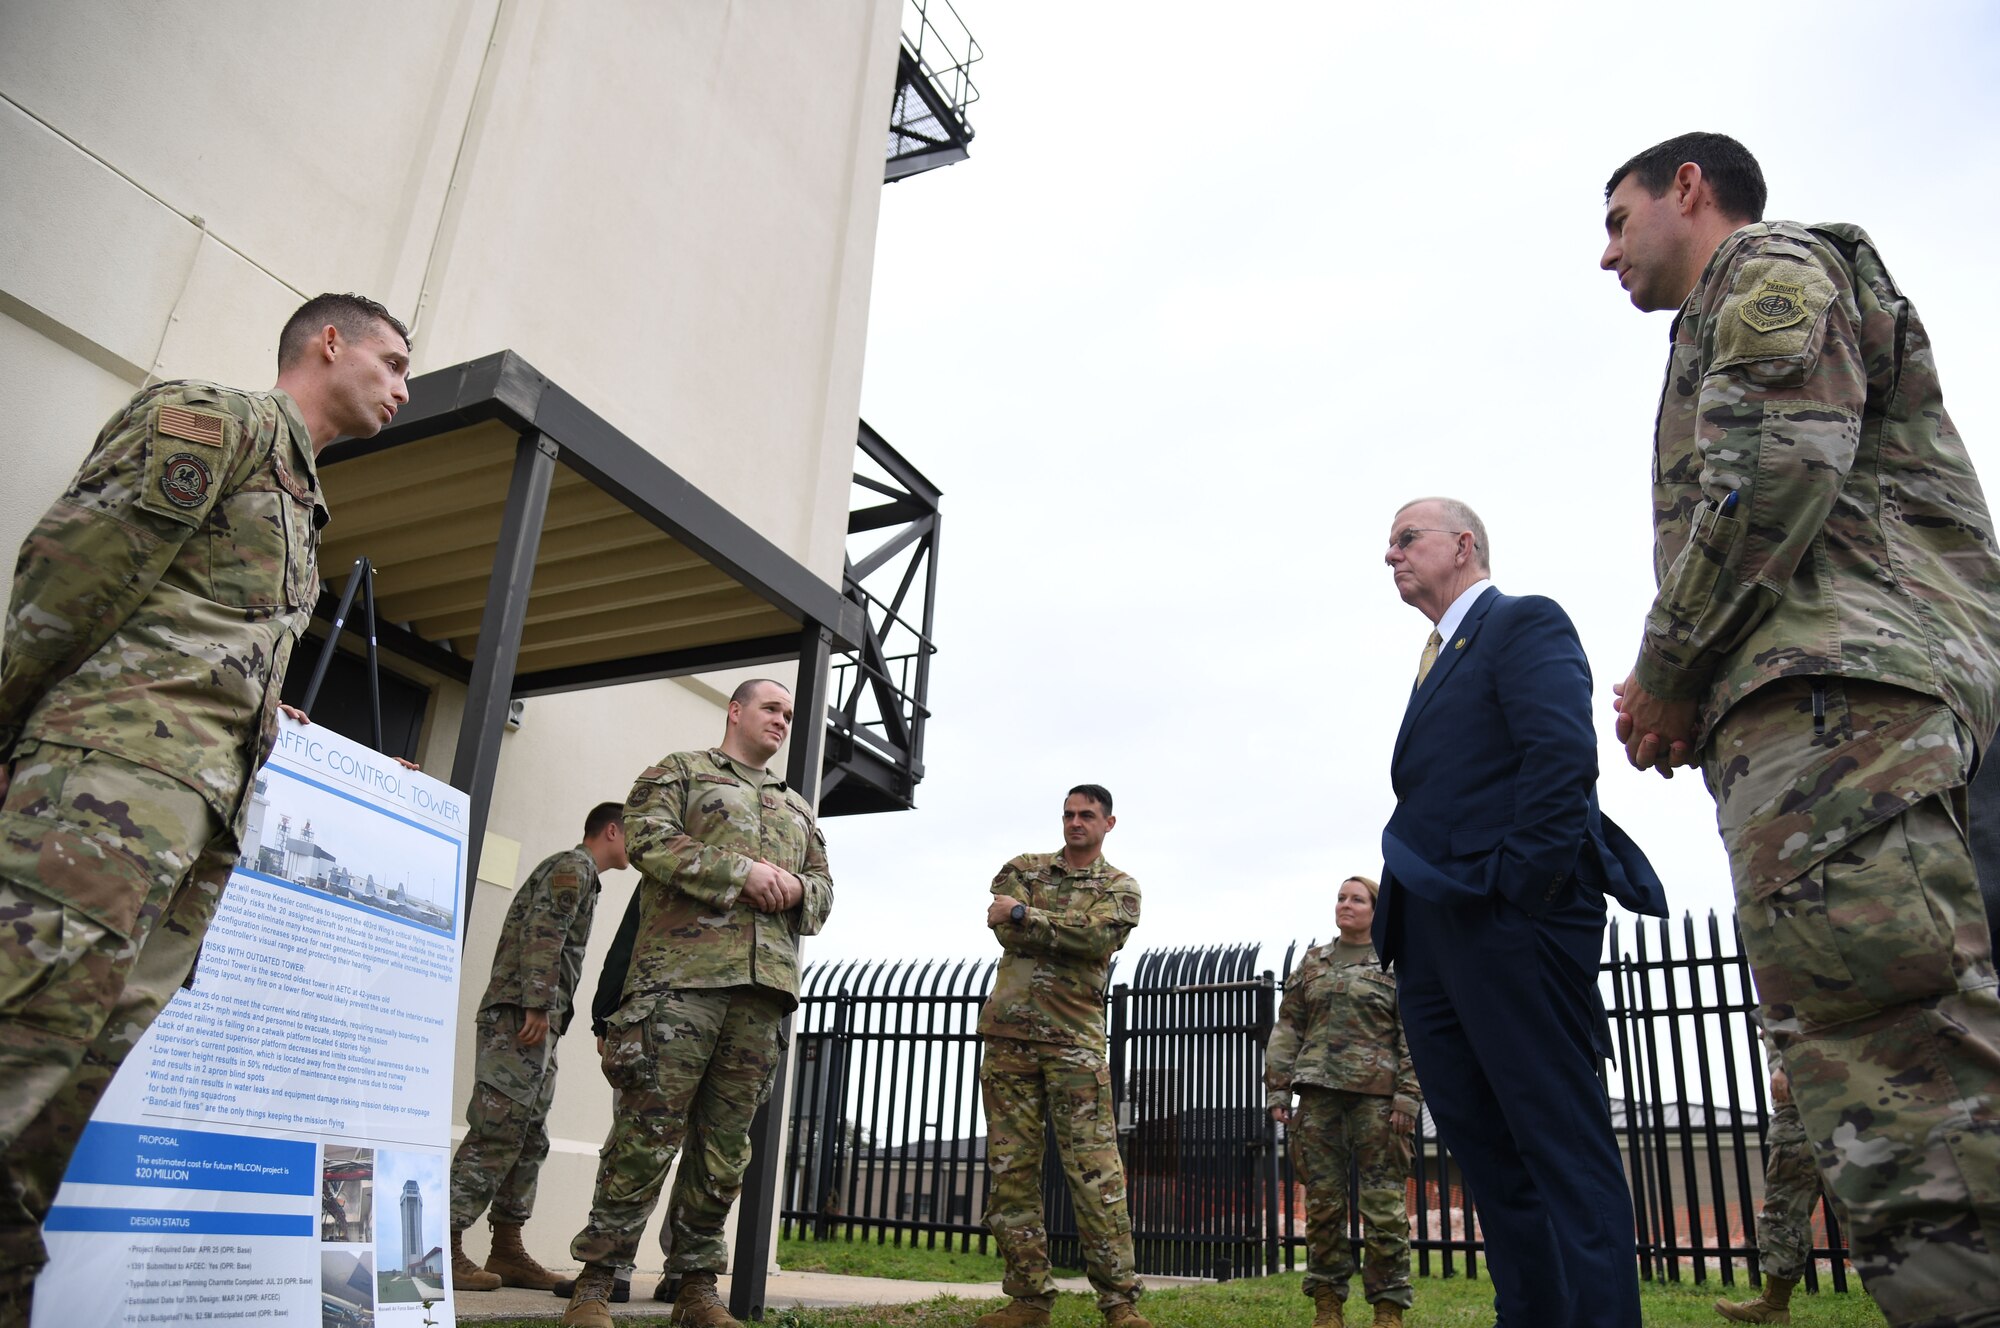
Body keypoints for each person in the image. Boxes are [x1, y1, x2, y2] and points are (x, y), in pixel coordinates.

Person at [1599, 131, 2000, 1326]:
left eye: (1617, 218)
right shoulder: (1716, 314)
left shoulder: (1769, 266)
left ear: (1687, 189)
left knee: (1898, 1054)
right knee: (1866, 1043)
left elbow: (1775, 466)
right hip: (1831, 702)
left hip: (1842, 702)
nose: (1603, 250)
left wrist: (1667, 668)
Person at [0, 293, 411, 1319]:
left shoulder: (302, 511)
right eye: (393, 361)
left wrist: (261, 703)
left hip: (184, 835)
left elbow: (188, 629)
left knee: (61, 1092)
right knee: (18, 1044)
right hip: (98, 800)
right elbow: (70, 577)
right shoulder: (212, 420)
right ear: (329, 343)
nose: (403, 387)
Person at [1376, 497, 1668, 1328]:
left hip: (1508, 925)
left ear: (1462, 545)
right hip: (1429, 933)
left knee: (1561, 1149)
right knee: (1486, 1154)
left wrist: (1519, 893)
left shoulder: (1522, 623)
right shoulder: (1433, 660)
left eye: (1406, 539)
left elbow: (1561, 756)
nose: (1389, 556)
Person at [561, 678, 833, 1328]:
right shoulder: (678, 774)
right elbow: (647, 839)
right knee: (645, 1136)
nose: (781, 721)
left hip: (761, 997)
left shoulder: (797, 808)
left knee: (723, 1149)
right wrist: (741, 873)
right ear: (735, 711)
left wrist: (795, 888)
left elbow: (824, 890)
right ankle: (595, 1284)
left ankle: (695, 1289)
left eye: (789, 715)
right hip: (678, 986)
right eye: (771, 708)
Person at [976, 785, 1149, 1328]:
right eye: (1069, 814)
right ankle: (1028, 1299)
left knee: (1095, 1175)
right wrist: (1032, 921)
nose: (1075, 823)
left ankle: (1119, 1304)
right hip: (1008, 1040)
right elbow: (1002, 925)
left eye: (1087, 815)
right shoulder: (1023, 866)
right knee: (1012, 1172)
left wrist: (1029, 915)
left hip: (1074, 1044)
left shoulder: (1121, 887)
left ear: (1109, 823)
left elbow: (1099, 939)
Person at [448, 802, 628, 1293]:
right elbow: (542, 935)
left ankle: (507, 1248)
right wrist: (535, 1005)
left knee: (530, 1135)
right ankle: (441, 1242)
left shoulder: (585, 875)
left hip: (540, 1023)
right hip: (521, 1017)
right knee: (498, 1130)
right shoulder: (571, 867)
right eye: (637, 833)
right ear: (612, 831)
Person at [1266, 874, 1420, 1327]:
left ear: (1377, 910)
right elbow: (1287, 1027)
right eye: (1340, 898)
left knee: (1384, 1208)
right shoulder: (1313, 962)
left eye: (1357, 899)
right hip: (1317, 1101)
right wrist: (1278, 1088)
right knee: (1323, 1205)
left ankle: (1388, 1309)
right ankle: (1328, 1304)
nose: (1345, 905)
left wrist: (1408, 1097)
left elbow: (1413, 1034)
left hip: (1378, 1103)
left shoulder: (1396, 962)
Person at [1715, 1049, 1839, 1325]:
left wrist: (1786, 1064)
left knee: (1787, 1206)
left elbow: (1816, 1010)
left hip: (1818, 1099)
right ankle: (1773, 1304)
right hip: (1804, 1107)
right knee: (1784, 1208)